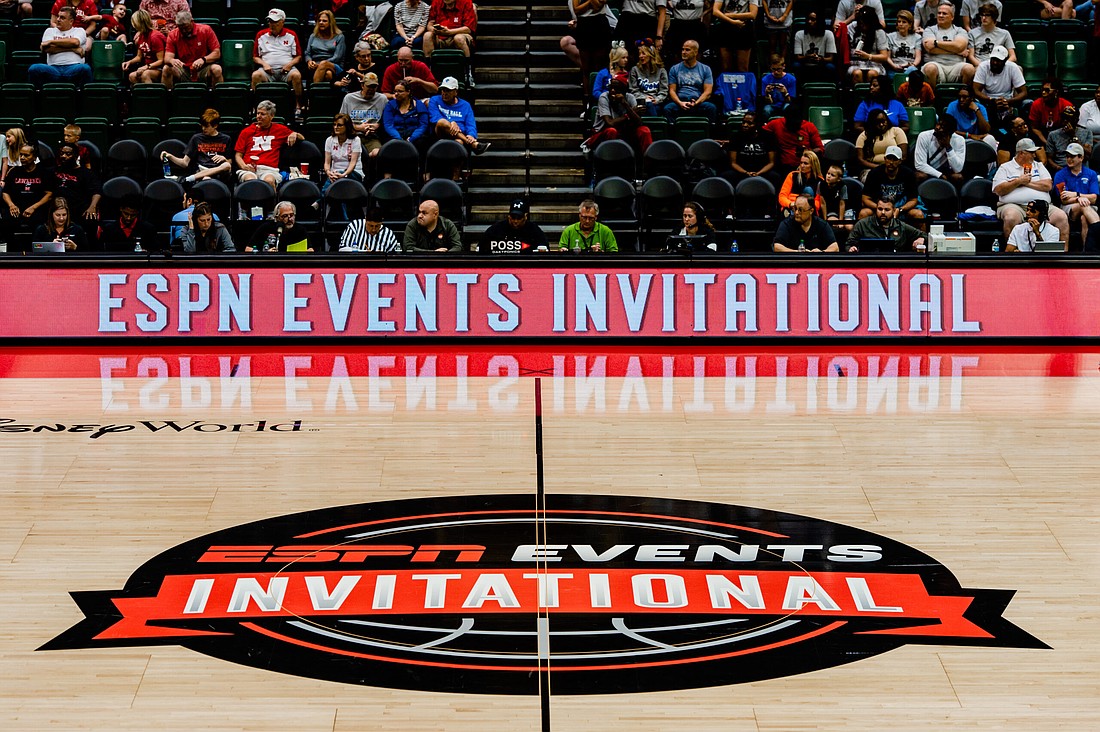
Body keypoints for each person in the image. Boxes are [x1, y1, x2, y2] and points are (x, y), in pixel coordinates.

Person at [993, 137, 1070, 241]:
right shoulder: (1005, 167)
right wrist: (1018, 181)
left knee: (1061, 216)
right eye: (1031, 152)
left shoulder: (1038, 166)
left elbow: (1048, 185)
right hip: (1015, 206)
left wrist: (1026, 183)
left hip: (1041, 206)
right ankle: (1012, 253)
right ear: (1021, 153)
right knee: (1011, 217)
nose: (1035, 155)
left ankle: (1063, 254)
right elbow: (998, 190)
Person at [234, 100, 304, 188]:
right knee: (250, 181)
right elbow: (238, 155)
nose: (259, 116)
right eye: (258, 113)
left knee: (269, 181)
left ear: (271, 116)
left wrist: (295, 134)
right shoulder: (246, 132)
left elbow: (302, 138)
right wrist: (243, 166)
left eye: (262, 114)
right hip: (248, 169)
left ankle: (273, 202)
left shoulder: (280, 130)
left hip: (269, 170)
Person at [580, 75, 653, 154]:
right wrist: (629, 114)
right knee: (612, 131)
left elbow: (639, 123)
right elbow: (610, 123)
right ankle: (611, 161)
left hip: (625, 131)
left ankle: (648, 161)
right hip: (603, 132)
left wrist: (625, 104)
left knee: (644, 130)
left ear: (624, 90)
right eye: (611, 88)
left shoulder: (630, 98)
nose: (613, 91)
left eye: (616, 88)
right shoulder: (604, 98)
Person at [252, 9, 304, 117]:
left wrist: (289, 65)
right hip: (267, 71)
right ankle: (255, 108)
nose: (272, 24)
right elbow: (256, 57)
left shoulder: (291, 35)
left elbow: (298, 57)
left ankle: (298, 106)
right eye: (270, 21)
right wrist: (264, 64)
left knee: (297, 75)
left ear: (282, 21)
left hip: (286, 71)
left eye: (275, 22)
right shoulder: (261, 35)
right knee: (256, 75)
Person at [163, 108, 233, 185]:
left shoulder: (226, 139)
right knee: (206, 178)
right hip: (202, 169)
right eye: (202, 126)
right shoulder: (196, 138)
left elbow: (229, 163)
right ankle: (195, 177)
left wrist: (224, 159)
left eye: (206, 126)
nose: (203, 129)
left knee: (227, 165)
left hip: (219, 172)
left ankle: (189, 179)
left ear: (215, 126)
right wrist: (170, 156)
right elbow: (184, 163)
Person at [29, 7, 93, 87]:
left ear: (71, 21)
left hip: (73, 67)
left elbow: (75, 42)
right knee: (34, 68)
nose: (58, 19)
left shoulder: (79, 31)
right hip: (53, 69)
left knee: (85, 68)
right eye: (58, 16)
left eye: (62, 18)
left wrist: (51, 42)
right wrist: (72, 48)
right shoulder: (50, 31)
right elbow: (48, 49)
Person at [2, 145, 53, 243]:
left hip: (36, 209)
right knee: (6, 222)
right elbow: (5, 193)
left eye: (26, 155)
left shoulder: (44, 173)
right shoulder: (14, 172)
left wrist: (33, 207)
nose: (22, 158)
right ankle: (10, 251)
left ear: (34, 157)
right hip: (16, 208)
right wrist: (11, 205)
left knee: (40, 223)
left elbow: (49, 194)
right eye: (21, 155)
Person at [427, 76, 490, 155]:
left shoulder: (465, 105)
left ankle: (456, 166)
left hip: (459, 135)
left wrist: (471, 135)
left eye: (448, 90)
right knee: (442, 122)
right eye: (443, 90)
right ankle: (472, 144)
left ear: (456, 92)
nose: (444, 93)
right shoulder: (434, 100)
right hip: (440, 133)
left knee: (459, 142)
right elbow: (434, 118)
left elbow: (470, 124)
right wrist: (451, 122)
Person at [860, 145, 923, 224]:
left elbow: (913, 200)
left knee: (918, 214)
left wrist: (900, 209)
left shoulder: (909, 174)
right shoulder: (874, 173)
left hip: (900, 208)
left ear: (900, 161)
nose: (891, 162)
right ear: (885, 159)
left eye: (895, 159)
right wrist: (882, 209)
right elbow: (865, 198)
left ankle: (922, 236)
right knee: (863, 213)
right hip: (879, 207)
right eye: (889, 158)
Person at [1052, 142, 1099, 246]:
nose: (1069, 159)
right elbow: (1064, 199)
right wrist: (1079, 199)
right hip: (1068, 207)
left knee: (1084, 218)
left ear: (1081, 158)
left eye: (1072, 156)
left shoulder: (1091, 174)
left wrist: (1076, 194)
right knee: (1083, 205)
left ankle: (1087, 252)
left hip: (1089, 206)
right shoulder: (1060, 175)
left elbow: (1094, 198)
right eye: (1067, 156)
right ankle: (1098, 229)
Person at [162, 11, 223, 89]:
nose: (184, 31)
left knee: (217, 69)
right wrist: (172, 61)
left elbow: (216, 53)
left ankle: (217, 99)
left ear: (192, 21)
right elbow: (167, 58)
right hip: (184, 69)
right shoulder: (173, 35)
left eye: (186, 27)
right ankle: (168, 99)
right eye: (181, 28)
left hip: (203, 68)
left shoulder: (206, 30)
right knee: (166, 69)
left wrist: (203, 59)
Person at [762, 104, 824, 178]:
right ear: (786, 119)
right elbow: (761, 132)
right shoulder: (776, 124)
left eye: (797, 122)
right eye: (792, 122)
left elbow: (820, 149)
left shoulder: (809, 127)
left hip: (805, 166)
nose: (794, 125)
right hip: (784, 166)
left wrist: (808, 152)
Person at [424, 0, 477, 87]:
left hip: (459, 35)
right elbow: (430, 24)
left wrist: (449, 32)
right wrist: (435, 30)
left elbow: (469, 28)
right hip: (440, 36)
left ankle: (468, 74)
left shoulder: (466, 3)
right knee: (427, 36)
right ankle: (428, 73)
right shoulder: (436, 2)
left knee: (459, 38)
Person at [845, 196, 925, 252]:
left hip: (895, 264)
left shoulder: (901, 226)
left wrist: (921, 238)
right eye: (880, 209)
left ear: (893, 211)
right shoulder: (862, 224)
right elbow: (849, 244)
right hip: (869, 264)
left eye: (887, 210)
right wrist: (851, 248)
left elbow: (925, 235)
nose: (883, 212)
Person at [664, 40, 717, 125]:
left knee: (711, 108)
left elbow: (708, 91)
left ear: (695, 52)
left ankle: (708, 135)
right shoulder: (674, 69)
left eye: (687, 50)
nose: (683, 52)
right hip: (680, 101)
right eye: (682, 49)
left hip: (698, 101)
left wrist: (696, 103)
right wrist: (680, 103)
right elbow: (672, 91)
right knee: (668, 108)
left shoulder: (705, 69)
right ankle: (673, 135)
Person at [973, 45, 1027, 128]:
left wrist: (1008, 101)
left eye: (998, 60)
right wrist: (991, 100)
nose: (994, 63)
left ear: (1005, 61)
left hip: (1008, 100)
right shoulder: (983, 66)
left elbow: (1023, 92)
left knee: (1027, 103)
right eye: (993, 59)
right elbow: (976, 90)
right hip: (987, 100)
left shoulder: (1012, 67)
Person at [920, 2, 972, 86]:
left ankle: (964, 97)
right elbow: (930, 48)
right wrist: (957, 51)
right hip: (935, 64)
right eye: (939, 13)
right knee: (930, 68)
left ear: (952, 17)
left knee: (969, 69)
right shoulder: (929, 30)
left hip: (956, 65)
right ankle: (932, 98)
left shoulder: (960, 31)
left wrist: (936, 42)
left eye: (944, 13)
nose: (940, 15)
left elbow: (959, 46)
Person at [339, 72, 388, 160]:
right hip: (353, 136)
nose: (371, 89)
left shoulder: (382, 99)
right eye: (369, 86)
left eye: (374, 87)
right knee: (350, 155)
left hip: (372, 137)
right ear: (362, 85)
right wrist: (358, 127)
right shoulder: (349, 98)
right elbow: (341, 121)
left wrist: (378, 126)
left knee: (378, 154)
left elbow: (387, 121)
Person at [722, 111, 778, 186]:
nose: (745, 125)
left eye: (749, 123)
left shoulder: (768, 136)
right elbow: (733, 163)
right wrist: (746, 173)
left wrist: (758, 173)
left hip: (762, 170)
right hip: (741, 170)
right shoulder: (736, 136)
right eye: (743, 122)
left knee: (775, 176)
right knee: (726, 176)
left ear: (757, 125)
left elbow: (771, 163)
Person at [51, 141, 101, 224]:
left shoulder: (86, 173)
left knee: (90, 218)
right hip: (57, 209)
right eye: (62, 153)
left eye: (68, 154)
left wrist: (92, 206)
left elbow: (96, 192)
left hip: (78, 208)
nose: (63, 156)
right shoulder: (54, 171)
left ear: (76, 156)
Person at [478, 198, 550, 254]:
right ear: (509, 216)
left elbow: (545, 247)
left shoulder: (534, 230)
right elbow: (480, 248)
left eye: (519, 218)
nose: (515, 221)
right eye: (513, 217)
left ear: (525, 216)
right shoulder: (496, 229)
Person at [772, 193, 838, 252]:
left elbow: (835, 248)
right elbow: (777, 247)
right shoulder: (786, 224)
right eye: (795, 208)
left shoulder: (822, 225)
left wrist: (822, 252)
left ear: (811, 211)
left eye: (800, 210)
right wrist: (797, 253)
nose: (796, 213)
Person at [913, 114, 965, 184]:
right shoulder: (924, 136)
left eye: (942, 127)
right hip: (928, 171)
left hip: (948, 173)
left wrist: (948, 147)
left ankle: (954, 194)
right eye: (938, 124)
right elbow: (919, 164)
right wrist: (939, 175)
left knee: (958, 177)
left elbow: (958, 169)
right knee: (919, 176)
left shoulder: (959, 140)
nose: (937, 127)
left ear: (950, 132)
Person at [383, 81, 432, 155]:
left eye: (400, 91)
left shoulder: (419, 105)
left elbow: (423, 125)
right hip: (396, 134)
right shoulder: (390, 105)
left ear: (408, 92)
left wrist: (412, 138)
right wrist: (399, 139)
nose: (396, 94)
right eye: (395, 91)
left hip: (414, 135)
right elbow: (388, 125)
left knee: (422, 141)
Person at [247, 201, 315, 252]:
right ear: (277, 218)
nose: (289, 219)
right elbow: (248, 249)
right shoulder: (266, 227)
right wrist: (265, 253)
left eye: (292, 215)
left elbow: (310, 249)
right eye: (285, 216)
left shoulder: (300, 230)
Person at [855, 109, 909, 173]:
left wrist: (890, 166)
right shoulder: (864, 135)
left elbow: (903, 156)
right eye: (877, 122)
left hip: (895, 167)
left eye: (883, 121)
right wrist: (878, 168)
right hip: (872, 169)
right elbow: (860, 159)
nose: (881, 124)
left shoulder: (896, 131)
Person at [712, 0, 758, 73]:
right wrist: (732, 21)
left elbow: (753, 14)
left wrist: (731, 15)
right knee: (726, 67)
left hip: (743, 27)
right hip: (726, 27)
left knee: (742, 68)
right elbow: (715, 11)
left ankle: (743, 84)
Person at [323, 114, 364, 196]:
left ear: (347, 126)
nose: (336, 127)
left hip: (354, 173)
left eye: (339, 125)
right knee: (339, 191)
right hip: (335, 174)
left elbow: (353, 163)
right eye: (334, 125)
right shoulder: (329, 140)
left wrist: (343, 174)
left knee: (337, 181)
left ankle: (320, 200)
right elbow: (327, 163)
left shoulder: (355, 140)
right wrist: (328, 173)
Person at [848, 4, 889, 84]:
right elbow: (839, 29)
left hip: (874, 64)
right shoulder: (853, 27)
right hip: (855, 63)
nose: (861, 25)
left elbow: (884, 57)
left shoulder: (879, 32)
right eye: (860, 23)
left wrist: (868, 56)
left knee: (872, 74)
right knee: (857, 73)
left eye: (864, 23)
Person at [792, 10, 836, 84]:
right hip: (805, 63)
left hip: (822, 64)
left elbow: (831, 58)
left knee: (830, 67)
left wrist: (821, 58)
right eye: (808, 19)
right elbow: (798, 57)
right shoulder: (799, 34)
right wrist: (807, 57)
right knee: (796, 65)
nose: (809, 22)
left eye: (813, 20)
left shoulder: (828, 34)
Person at [121, 8, 164, 84]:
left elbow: (161, 60)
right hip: (149, 67)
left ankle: (153, 95)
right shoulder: (141, 35)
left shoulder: (155, 36)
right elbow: (139, 56)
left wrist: (146, 67)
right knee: (132, 76)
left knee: (145, 74)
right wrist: (129, 62)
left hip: (160, 68)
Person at [1045, 107, 1093, 173]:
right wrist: (1058, 168)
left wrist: (1073, 136)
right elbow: (1049, 158)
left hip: (1081, 169)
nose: (1065, 121)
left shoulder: (1086, 132)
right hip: (1061, 168)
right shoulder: (1053, 135)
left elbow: (1088, 154)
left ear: (1076, 120)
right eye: (1063, 118)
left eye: (1068, 119)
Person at [1029, 78, 1074, 147]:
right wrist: (1047, 143)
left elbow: (1068, 128)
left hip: (1061, 137)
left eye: (1047, 90)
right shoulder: (1036, 104)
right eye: (1042, 90)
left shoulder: (1066, 105)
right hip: (1042, 137)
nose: (1043, 93)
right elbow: (1035, 128)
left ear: (1056, 92)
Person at [778, 150, 825, 214]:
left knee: (809, 190)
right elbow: (782, 197)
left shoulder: (820, 181)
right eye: (801, 163)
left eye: (805, 163)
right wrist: (791, 204)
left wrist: (805, 207)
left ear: (813, 165)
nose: (802, 166)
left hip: (808, 210)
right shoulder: (792, 175)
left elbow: (818, 202)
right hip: (791, 207)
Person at [629, 40, 669, 116]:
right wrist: (645, 98)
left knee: (656, 108)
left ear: (651, 55)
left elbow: (664, 91)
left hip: (657, 102)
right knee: (647, 106)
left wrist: (656, 100)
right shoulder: (635, 70)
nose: (641, 56)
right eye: (639, 54)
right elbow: (633, 90)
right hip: (640, 101)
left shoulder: (661, 71)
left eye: (643, 53)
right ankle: (655, 126)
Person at [305, 10, 346, 85]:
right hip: (316, 64)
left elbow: (337, 57)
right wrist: (309, 61)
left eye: (324, 21)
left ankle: (313, 93)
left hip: (335, 65)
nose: (321, 23)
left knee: (324, 64)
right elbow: (307, 53)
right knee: (328, 74)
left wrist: (320, 64)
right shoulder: (313, 36)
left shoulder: (339, 36)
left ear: (331, 23)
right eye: (319, 20)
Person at [886, 9, 923, 78]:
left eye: (904, 22)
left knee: (912, 72)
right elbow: (887, 57)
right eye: (899, 22)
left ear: (910, 24)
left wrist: (912, 65)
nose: (901, 24)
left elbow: (918, 57)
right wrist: (894, 66)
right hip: (894, 68)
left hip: (910, 67)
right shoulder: (890, 36)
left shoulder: (917, 37)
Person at [759, 54, 796, 120]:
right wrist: (767, 94)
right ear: (770, 67)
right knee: (766, 110)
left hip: (785, 103)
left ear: (783, 66)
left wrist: (785, 93)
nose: (776, 72)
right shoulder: (765, 79)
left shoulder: (791, 79)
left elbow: (790, 101)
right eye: (773, 69)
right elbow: (768, 102)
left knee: (788, 108)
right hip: (772, 104)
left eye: (778, 69)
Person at [818, 163, 853, 231]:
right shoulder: (821, 185)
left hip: (845, 210)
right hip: (831, 211)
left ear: (838, 179)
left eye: (832, 175)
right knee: (833, 223)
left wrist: (840, 221)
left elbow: (842, 204)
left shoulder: (842, 186)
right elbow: (823, 203)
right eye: (828, 173)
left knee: (849, 227)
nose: (828, 176)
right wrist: (825, 220)